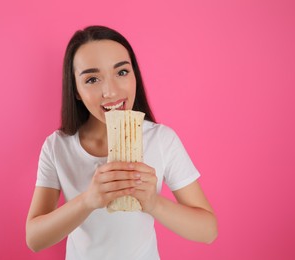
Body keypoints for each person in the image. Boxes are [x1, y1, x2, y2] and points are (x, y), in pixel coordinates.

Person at [26, 25, 218, 259]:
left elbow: (208, 230)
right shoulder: (58, 146)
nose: (111, 91)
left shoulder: (161, 139)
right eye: (92, 79)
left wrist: (153, 203)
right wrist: (89, 200)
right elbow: (34, 239)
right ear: (75, 89)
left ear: (135, 74)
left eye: (122, 72)